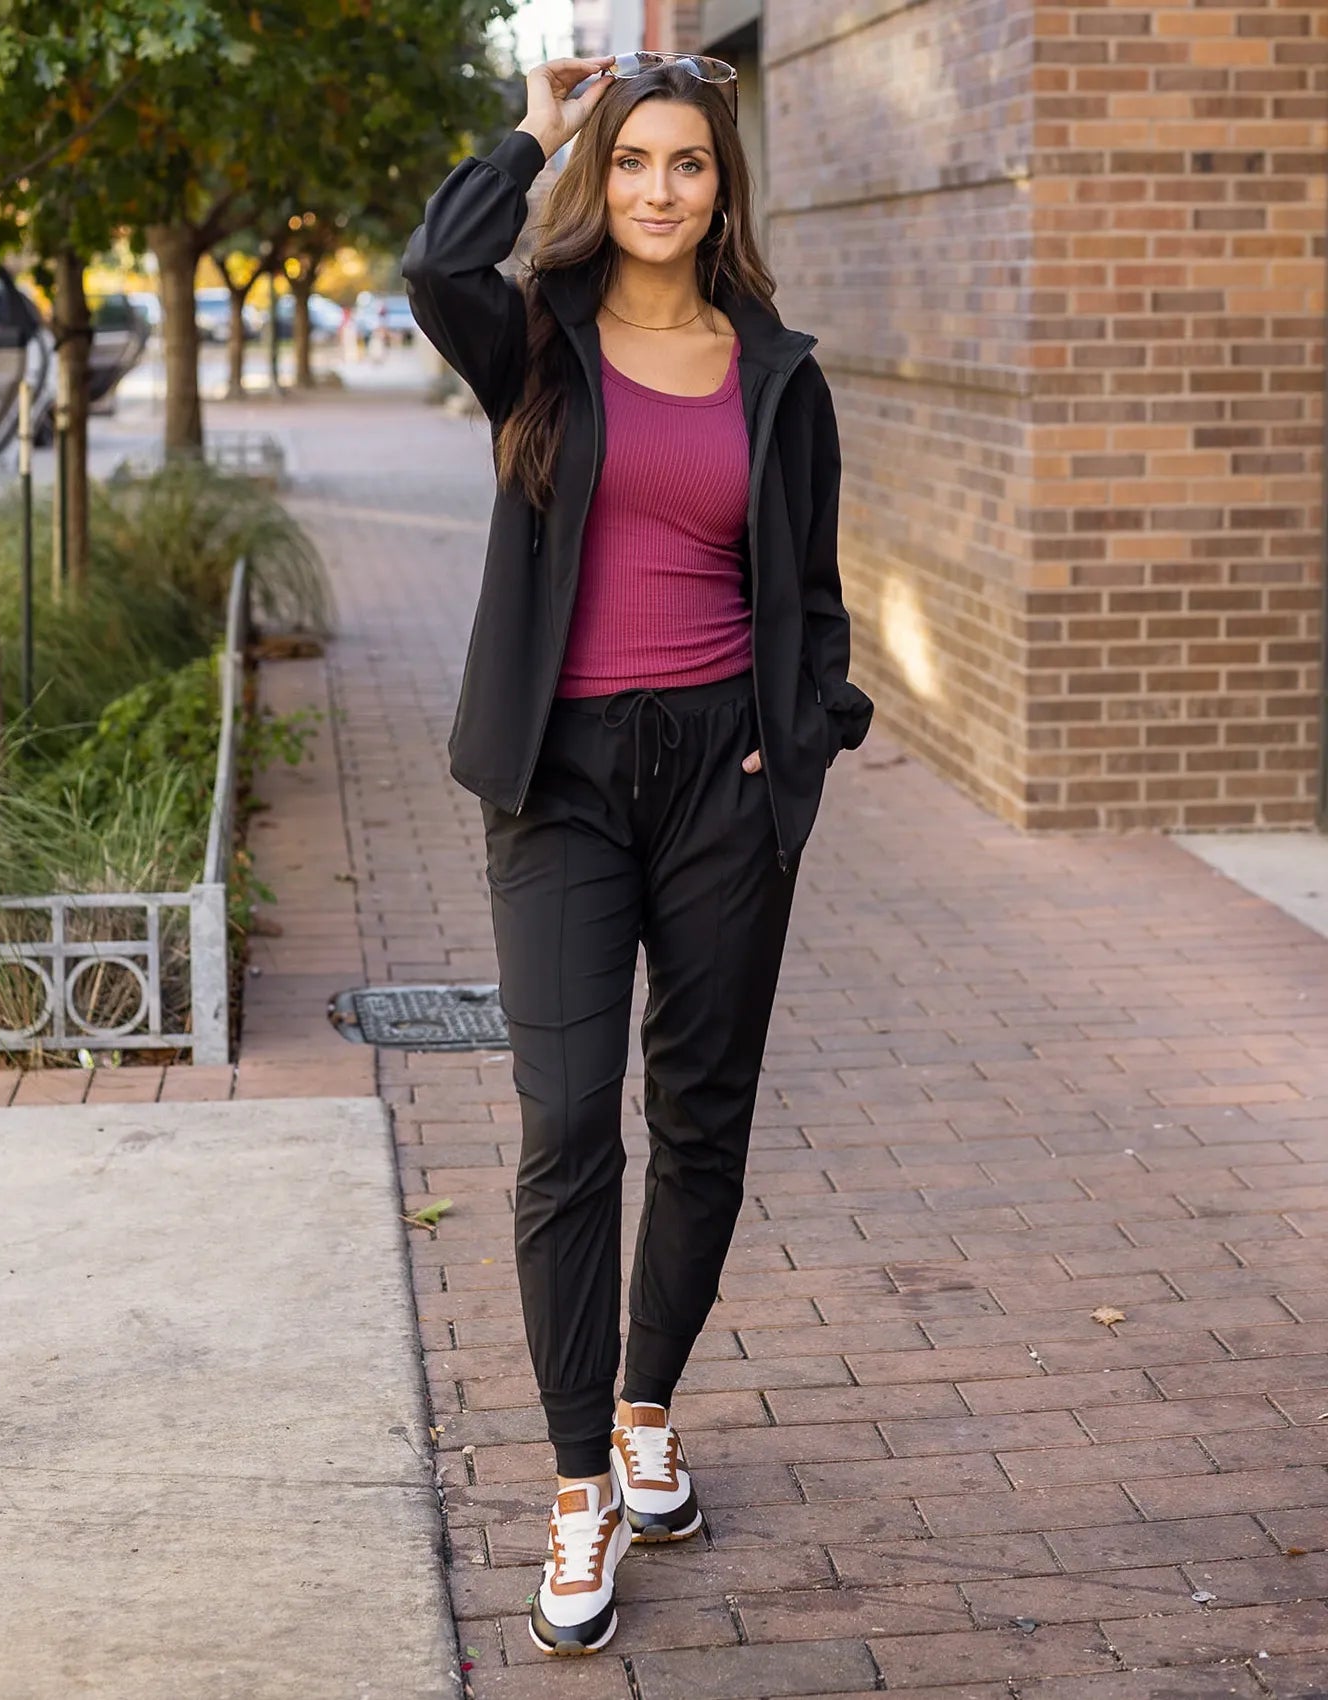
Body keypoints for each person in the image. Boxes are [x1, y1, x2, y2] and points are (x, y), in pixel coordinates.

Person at [403, 51, 873, 1658]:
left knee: (702, 1111)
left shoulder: (778, 373)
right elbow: (435, 260)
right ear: (598, 179)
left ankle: (650, 1400)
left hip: (725, 774)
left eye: (687, 165)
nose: (658, 191)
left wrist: (798, 742)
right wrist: (528, 133)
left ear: (723, 189)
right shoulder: (534, 344)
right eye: (630, 163)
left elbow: (812, 588)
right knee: (560, 1126)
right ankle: (575, 1483)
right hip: (562, 777)